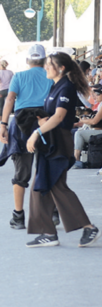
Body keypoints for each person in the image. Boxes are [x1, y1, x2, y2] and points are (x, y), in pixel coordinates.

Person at [25, 52, 101, 248]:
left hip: (59, 143)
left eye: (49, 64)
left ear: (61, 68)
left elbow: (59, 117)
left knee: (52, 186)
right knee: (44, 186)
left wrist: (35, 133)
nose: (46, 67)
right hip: (51, 141)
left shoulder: (66, 88)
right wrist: (41, 119)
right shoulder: (55, 86)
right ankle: (50, 232)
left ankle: (84, 227)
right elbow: (52, 115)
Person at [0, 44, 52, 230]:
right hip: (45, 124)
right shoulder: (50, 77)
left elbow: (10, 99)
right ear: (45, 60)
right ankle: (51, 212)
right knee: (46, 168)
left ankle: (18, 216)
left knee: (21, 173)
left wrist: (3, 124)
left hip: (21, 125)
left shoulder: (19, 76)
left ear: (27, 60)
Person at [73, 85, 102, 168]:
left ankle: (76, 159)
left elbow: (94, 121)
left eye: (98, 94)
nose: (96, 96)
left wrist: (81, 120)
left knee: (79, 134)